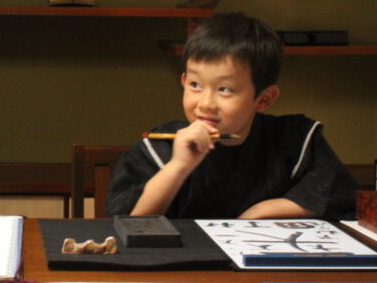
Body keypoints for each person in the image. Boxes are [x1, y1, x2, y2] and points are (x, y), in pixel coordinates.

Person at [106, 12, 357, 220]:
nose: (205, 104)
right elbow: (130, 223)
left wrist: (263, 211)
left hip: (262, 270)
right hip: (181, 272)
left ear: (264, 99)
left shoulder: (295, 139)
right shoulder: (158, 147)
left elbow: (340, 195)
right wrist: (179, 167)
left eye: (224, 89)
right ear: (183, 81)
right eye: (195, 84)